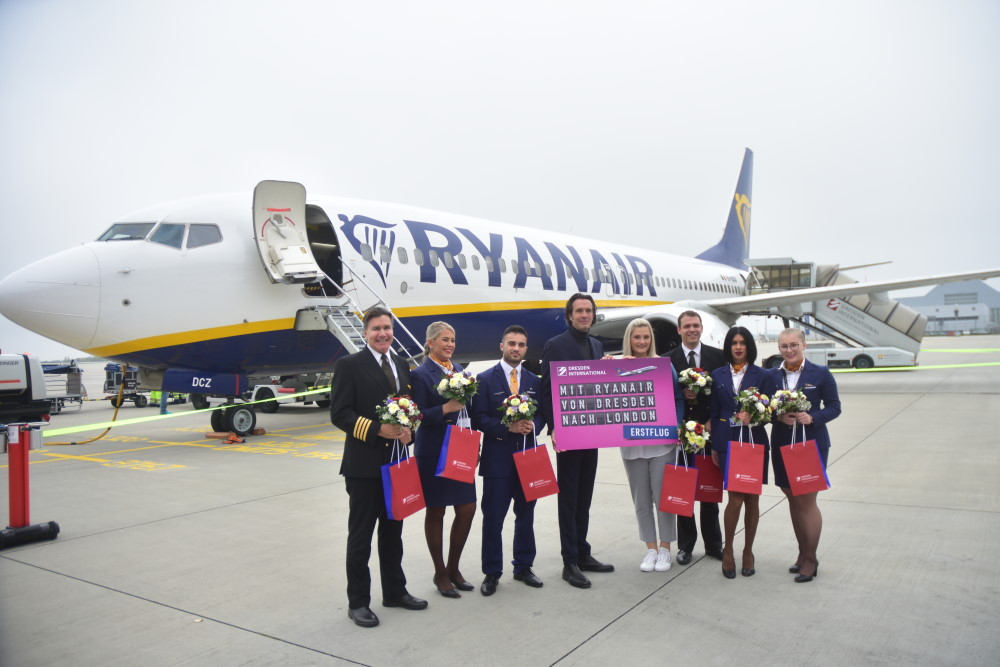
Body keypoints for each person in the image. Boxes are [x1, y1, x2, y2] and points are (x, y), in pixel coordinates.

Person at [330, 306, 428, 628]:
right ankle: (358, 602)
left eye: (387, 327)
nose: (383, 333)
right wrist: (377, 429)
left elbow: (407, 409)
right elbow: (340, 414)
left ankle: (395, 592)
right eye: (376, 329)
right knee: (360, 537)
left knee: (393, 534)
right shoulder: (349, 366)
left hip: (395, 464)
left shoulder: (401, 364)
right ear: (366, 332)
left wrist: (409, 432)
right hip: (363, 468)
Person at [540, 293, 615, 589]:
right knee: (568, 499)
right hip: (569, 435)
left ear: (594, 315)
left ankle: (582, 552)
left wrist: (610, 370)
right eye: (579, 311)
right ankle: (568, 560)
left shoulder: (597, 346)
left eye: (589, 311)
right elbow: (547, 392)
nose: (584, 315)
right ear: (569, 315)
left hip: (592, 433)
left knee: (584, 497)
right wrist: (554, 428)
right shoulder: (555, 345)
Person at [469, 325, 547, 596]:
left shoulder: (535, 381)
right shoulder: (485, 379)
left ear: (526, 349)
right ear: (501, 346)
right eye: (511, 343)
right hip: (498, 460)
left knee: (526, 516)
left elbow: (542, 415)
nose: (516, 348)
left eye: (521, 344)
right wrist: (507, 428)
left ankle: (524, 566)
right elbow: (478, 418)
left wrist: (533, 426)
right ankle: (491, 572)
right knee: (493, 518)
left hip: (529, 458)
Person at [410, 322, 477, 598]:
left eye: (453, 340)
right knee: (436, 511)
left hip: (460, 449)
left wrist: (474, 444)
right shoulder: (421, 374)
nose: (450, 344)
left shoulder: (460, 371)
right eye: (444, 340)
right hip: (434, 451)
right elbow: (418, 415)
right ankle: (440, 572)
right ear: (430, 343)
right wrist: (445, 408)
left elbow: (467, 413)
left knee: (467, 509)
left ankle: (453, 567)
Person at [770, 328, 841, 583]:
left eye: (793, 345)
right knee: (793, 500)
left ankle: (811, 559)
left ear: (804, 345)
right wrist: (776, 416)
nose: (789, 350)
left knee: (807, 502)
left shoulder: (820, 373)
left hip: (811, 444)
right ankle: (802, 554)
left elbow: (834, 407)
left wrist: (813, 417)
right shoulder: (772, 376)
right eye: (784, 346)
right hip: (781, 444)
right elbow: (764, 406)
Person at [618, 318, 686, 572]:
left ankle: (666, 549)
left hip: (661, 444)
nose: (642, 342)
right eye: (637, 337)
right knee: (641, 501)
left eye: (646, 337)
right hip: (631, 445)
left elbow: (677, 399)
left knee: (663, 498)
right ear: (629, 340)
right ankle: (651, 549)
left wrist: (676, 425)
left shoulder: (662, 366)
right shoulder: (617, 366)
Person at [709, 326, 774, 579]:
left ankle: (748, 551)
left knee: (752, 499)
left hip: (754, 441)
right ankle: (729, 550)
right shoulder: (718, 374)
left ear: (749, 346)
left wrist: (756, 417)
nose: (738, 347)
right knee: (734, 497)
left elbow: (771, 411)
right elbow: (715, 413)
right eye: (734, 342)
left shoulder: (763, 375)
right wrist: (715, 445)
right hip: (728, 442)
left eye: (742, 343)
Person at [668, 310, 725, 564]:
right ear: (678, 330)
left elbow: (723, 394)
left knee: (709, 492)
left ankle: (714, 545)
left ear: (702, 328)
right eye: (687, 326)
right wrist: (680, 393)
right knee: (684, 490)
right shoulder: (668, 360)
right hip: (680, 434)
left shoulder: (717, 356)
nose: (692, 329)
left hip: (709, 431)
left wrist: (714, 419)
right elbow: (661, 395)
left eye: (696, 325)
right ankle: (685, 546)